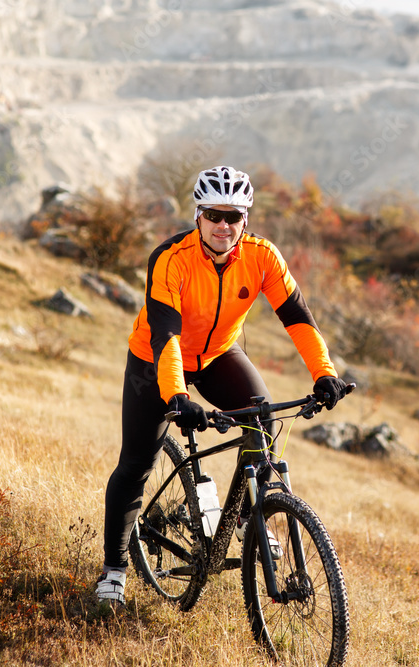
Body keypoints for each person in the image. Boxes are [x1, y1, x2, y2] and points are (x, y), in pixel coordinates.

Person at [96, 166, 348, 604]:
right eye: (214, 214)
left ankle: (246, 520)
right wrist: (177, 395)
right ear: (198, 215)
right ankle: (114, 569)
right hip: (156, 359)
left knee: (263, 421)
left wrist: (323, 373)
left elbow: (298, 319)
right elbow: (166, 336)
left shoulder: (262, 257)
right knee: (137, 462)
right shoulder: (171, 258)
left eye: (233, 216)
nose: (223, 226)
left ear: (245, 220)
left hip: (217, 355)